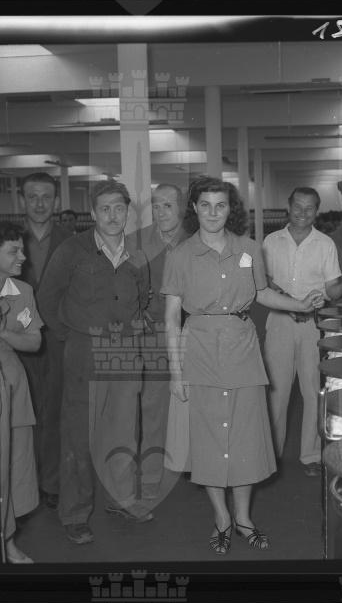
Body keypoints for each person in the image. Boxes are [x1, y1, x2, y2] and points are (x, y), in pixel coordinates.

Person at [161, 176, 324, 555]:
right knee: (208, 440)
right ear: (194, 208)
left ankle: (244, 517)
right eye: (205, 205)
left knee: (245, 437)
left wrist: (300, 304)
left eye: (220, 205)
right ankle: (221, 517)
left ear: (230, 209)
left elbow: (262, 293)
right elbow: (170, 318)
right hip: (199, 350)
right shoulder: (180, 255)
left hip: (243, 349)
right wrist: (176, 372)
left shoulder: (249, 248)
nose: (213, 213)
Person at [37, 179, 152, 545]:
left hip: (125, 352)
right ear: (93, 213)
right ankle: (74, 513)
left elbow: (143, 301)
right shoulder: (72, 250)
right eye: (105, 209)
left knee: (124, 430)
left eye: (119, 208)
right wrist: (70, 335)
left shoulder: (137, 255)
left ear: (128, 211)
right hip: (84, 351)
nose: (112, 215)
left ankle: (122, 500)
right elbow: (46, 298)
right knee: (78, 434)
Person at [262, 187, 342, 478]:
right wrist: (288, 300)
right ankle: (272, 454)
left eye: (309, 208)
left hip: (313, 324)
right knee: (277, 391)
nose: (302, 213)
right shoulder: (271, 241)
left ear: (316, 211)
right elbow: (265, 280)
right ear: (289, 206)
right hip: (279, 322)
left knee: (312, 391)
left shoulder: (325, 244)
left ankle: (311, 455)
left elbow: (332, 286)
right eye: (298, 206)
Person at [126, 183, 190, 488]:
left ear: (182, 208)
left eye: (167, 205)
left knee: (193, 402)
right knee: (153, 404)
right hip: (153, 335)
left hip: (192, 333)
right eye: (155, 205)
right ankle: (152, 474)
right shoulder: (135, 243)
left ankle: (192, 465)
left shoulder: (196, 241)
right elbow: (121, 289)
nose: (160, 212)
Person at [17, 172, 71, 511]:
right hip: (15, 340)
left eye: (46, 197)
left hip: (57, 339)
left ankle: (51, 482)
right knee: (20, 412)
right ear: (22, 200)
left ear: (57, 202)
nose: (39, 204)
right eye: (32, 197)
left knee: (54, 411)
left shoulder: (72, 242)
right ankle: (23, 483)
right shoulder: (3, 239)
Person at [0, 221, 42, 563]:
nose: (22, 257)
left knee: (13, 466)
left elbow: (35, 341)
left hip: (13, 386)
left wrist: (1, 334)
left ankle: (8, 542)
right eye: (13, 251)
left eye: (22, 249)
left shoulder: (23, 292)